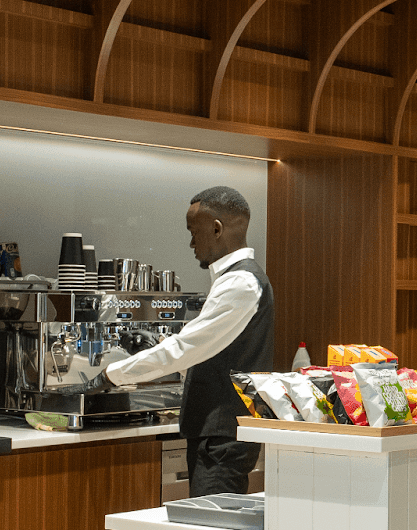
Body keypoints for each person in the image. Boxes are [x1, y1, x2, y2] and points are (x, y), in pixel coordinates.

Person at [74, 186, 274, 496]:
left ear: (217, 229)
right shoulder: (237, 279)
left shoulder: (241, 282)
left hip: (221, 439)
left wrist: (108, 376)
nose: (191, 243)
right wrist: (157, 344)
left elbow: (182, 351)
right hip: (216, 436)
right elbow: (205, 351)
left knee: (210, 525)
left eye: (194, 232)